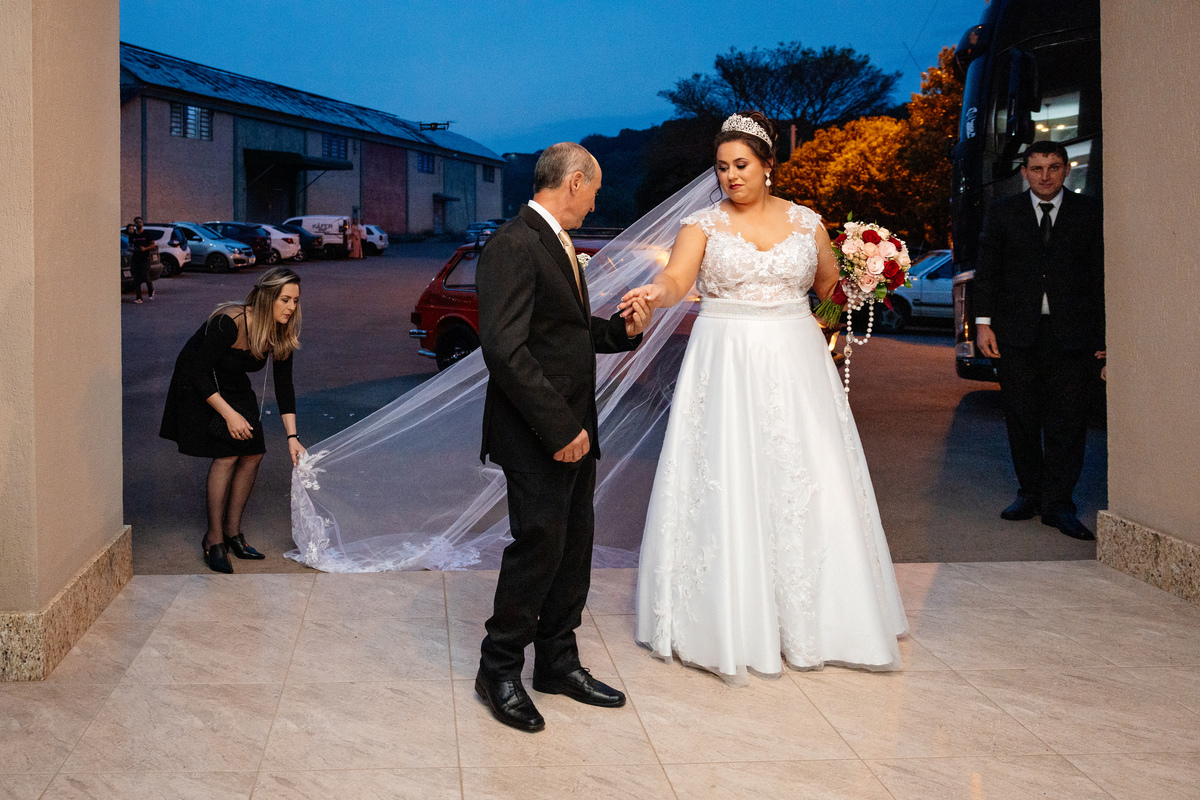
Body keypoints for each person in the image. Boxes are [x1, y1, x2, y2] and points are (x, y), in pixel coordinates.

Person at [620, 111, 908, 683]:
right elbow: (679, 280)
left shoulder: (809, 224)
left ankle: (824, 620)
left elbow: (829, 294)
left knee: (805, 478)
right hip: (724, 358)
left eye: (742, 165)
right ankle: (729, 619)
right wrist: (656, 292)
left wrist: (869, 279)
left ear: (768, 166)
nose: (731, 176)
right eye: (723, 167)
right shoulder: (701, 225)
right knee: (727, 477)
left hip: (797, 360)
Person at [474, 142, 652, 732]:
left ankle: (556, 663)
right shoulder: (513, 244)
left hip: (575, 425)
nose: (596, 199)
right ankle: (498, 669)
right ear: (574, 182)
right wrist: (559, 427)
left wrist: (621, 331)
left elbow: (563, 334)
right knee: (539, 547)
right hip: (537, 430)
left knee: (573, 547)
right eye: (595, 189)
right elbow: (505, 349)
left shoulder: (554, 242)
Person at [973, 140, 1105, 541]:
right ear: (1024, 173)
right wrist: (983, 324)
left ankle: (1059, 505)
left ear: (1067, 170)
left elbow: (1103, 276)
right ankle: (1029, 494)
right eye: (1036, 168)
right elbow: (987, 272)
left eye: (1053, 167)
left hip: (1074, 337)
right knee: (1022, 419)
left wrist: (1104, 336)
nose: (1044, 176)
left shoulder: (1091, 212)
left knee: (1068, 423)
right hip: (1016, 336)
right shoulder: (1003, 213)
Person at [159, 267, 306, 573]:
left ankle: (233, 532)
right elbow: (197, 371)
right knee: (227, 453)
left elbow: (284, 385)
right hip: (198, 382)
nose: (292, 307)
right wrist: (228, 414)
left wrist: (293, 437)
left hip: (233, 382)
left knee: (254, 452)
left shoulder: (281, 330)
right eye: (285, 299)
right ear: (267, 297)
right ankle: (213, 539)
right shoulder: (230, 321)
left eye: (295, 300)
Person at [128, 216, 157, 303]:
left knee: (145, 276)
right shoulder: (132, 236)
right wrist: (133, 249)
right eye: (136, 222)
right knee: (136, 278)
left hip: (145, 258)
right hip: (135, 259)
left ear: (142, 224)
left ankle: (151, 291)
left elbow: (153, 245)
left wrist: (145, 248)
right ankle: (138, 298)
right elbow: (129, 247)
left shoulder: (147, 234)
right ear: (134, 224)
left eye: (140, 222)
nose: (138, 223)